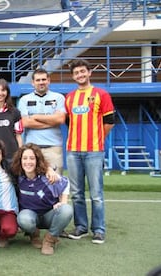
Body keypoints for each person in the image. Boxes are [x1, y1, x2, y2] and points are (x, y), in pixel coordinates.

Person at [65, 59, 115, 244]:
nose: (80, 75)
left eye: (82, 71)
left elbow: (109, 121)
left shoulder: (101, 94)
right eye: (76, 72)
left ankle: (99, 230)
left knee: (96, 194)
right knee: (77, 193)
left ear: (89, 72)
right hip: (73, 151)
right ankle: (81, 227)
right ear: (73, 76)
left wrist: (96, 138)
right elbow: (70, 123)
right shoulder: (69, 98)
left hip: (94, 151)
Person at [11, 143, 73, 255]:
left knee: (66, 209)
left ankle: (50, 240)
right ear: (20, 160)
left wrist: (62, 202)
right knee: (23, 219)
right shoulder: (18, 176)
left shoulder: (47, 176)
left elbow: (66, 183)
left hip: (48, 215)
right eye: (24, 158)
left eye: (32, 158)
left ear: (37, 160)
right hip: (30, 215)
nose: (28, 162)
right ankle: (34, 234)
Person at [17, 68, 66, 174]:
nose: (41, 82)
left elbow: (60, 119)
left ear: (49, 80)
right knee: (33, 183)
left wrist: (35, 116)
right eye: (38, 80)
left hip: (53, 148)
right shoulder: (24, 100)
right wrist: (51, 121)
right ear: (32, 82)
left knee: (55, 183)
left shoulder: (59, 98)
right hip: (32, 149)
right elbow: (25, 123)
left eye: (43, 79)